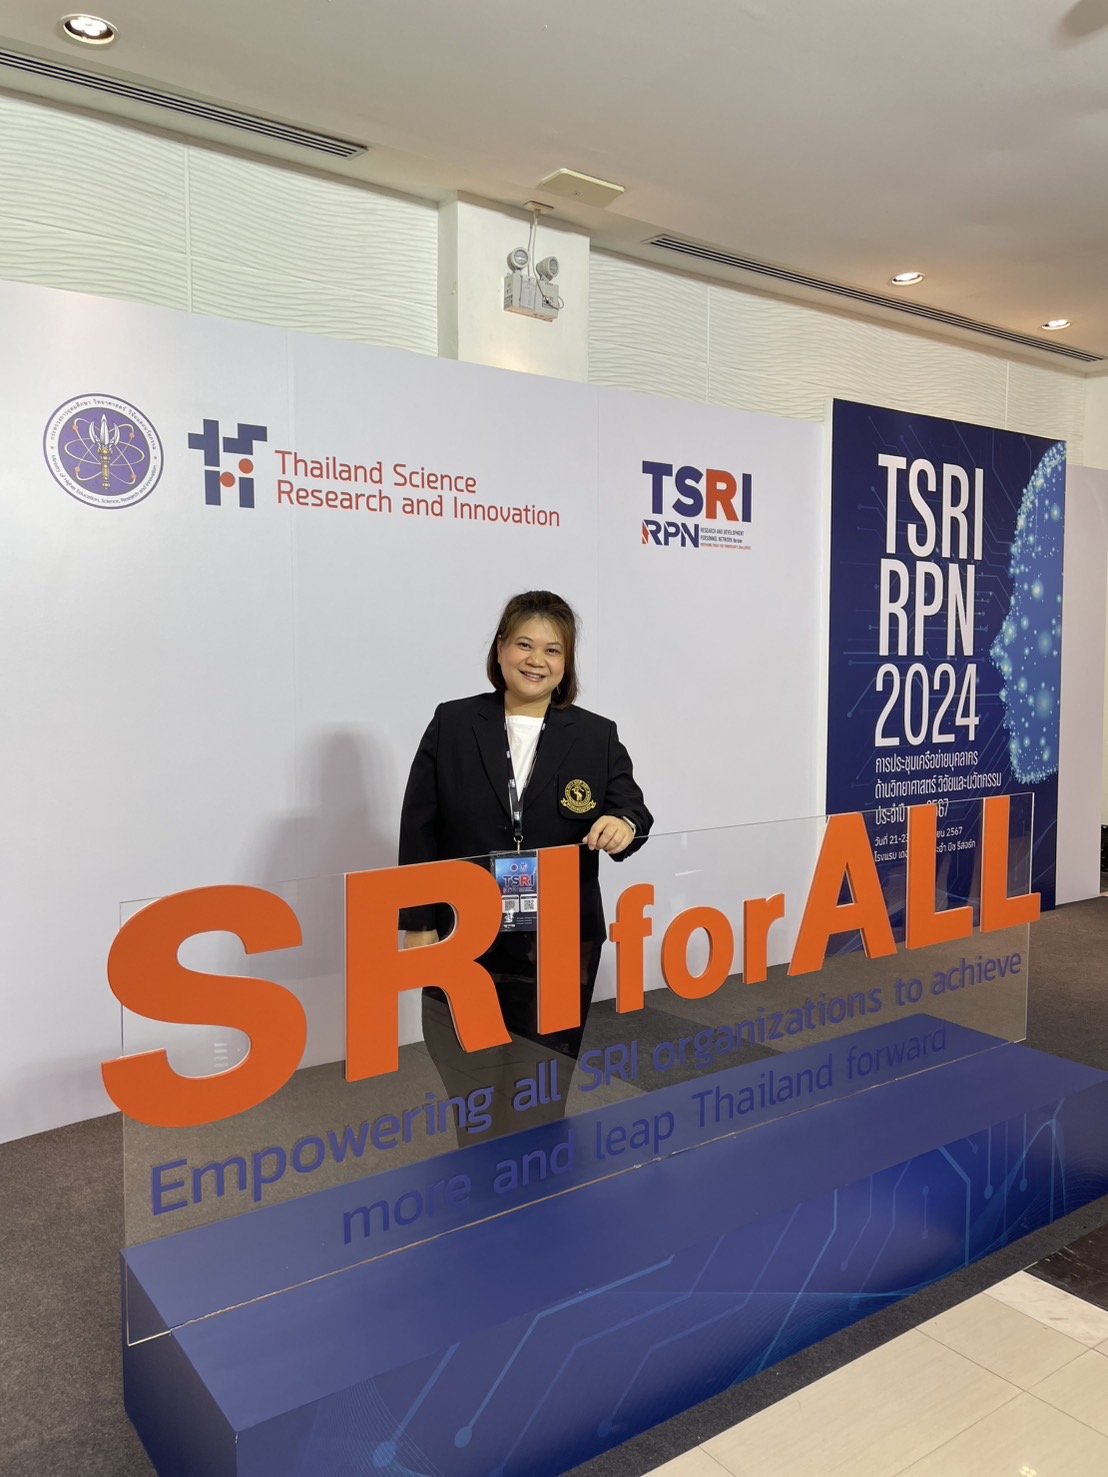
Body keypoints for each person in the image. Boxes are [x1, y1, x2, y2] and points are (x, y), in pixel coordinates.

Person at [398, 589, 652, 1141]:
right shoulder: (453, 722)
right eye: (524, 644)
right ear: (500, 650)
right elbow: (420, 828)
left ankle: (535, 1178)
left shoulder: (595, 734)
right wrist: (417, 923)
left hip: (558, 941)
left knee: (542, 1082)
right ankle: (479, 1170)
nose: (537, 660)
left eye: (553, 650)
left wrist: (623, 823)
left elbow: (632, 808)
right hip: (465, 934)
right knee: (472, 1082)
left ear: (567, 663)